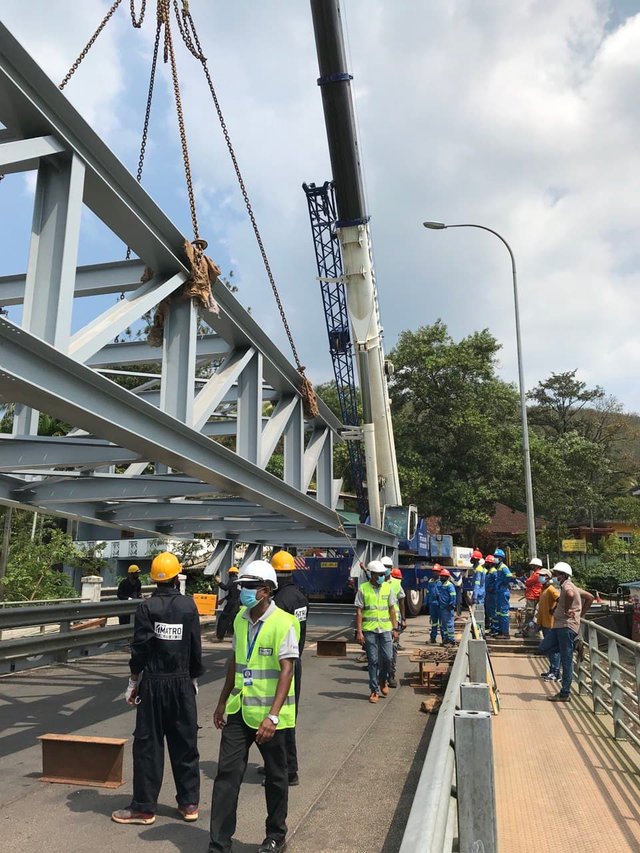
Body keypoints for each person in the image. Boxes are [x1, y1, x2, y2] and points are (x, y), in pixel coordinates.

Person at [209, 560, 299, 853]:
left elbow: (287, 671)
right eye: (242, 586)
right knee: (227, 775)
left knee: (275, 777)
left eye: (249, 587)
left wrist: (272, 716)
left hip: (272, 716)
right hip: (239, 709)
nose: (243, 591)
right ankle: (219, 842)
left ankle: (275, 836)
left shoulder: (285, 622)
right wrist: (222, 701)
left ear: (266, 590)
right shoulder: (240, 618)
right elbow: (235, 662)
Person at [111, 552, 203, 826]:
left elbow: (140, 648)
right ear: (177, 576)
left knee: (148, 745)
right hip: (182, 682)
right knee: (185, 743)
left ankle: (144, 807)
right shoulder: (189, 606)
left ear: (153, 579)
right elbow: (195, 645)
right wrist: (193, 677)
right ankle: (188, 803)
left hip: (153, 683)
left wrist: (132, 681)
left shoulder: (146, 608)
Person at [271, 550, 309, 787]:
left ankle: (287, 770)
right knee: (288, 716)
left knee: (280, 719)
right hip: (296, 661)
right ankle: (280, 766)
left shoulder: (279, 601)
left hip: (283, 665)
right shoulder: (300, 597)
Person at [539, 562, 593, 703]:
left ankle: (564, 693)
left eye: (556, 574)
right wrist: (580, 615)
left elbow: (570, 595)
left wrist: (567, 610)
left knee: (566, 660)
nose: (555, 577)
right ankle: (574, 645)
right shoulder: (571, 586)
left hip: (566, 627)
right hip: (560, 626)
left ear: (562, 576)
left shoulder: (567, 586)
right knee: (544, 647)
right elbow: (590, 597)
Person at [355, 560, 398, 704]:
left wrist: (395, 627)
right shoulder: (363, 589)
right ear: (372, 575)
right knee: (373, 660)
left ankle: (382, 680)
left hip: (385, 629)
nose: (381, 577)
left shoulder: (387, 588)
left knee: (388, 658)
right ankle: (374, 690)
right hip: (370, 630)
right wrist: (359, 632)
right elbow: (359, 611)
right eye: (379, 575)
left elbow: (392, 609)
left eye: (382, 574)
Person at [535, 570, 560, 681]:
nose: (540, 577)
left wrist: (553, 610)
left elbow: (559, 599)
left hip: (551, 623)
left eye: (542, 575)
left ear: (548, 577)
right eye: (539, 575)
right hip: (544, 623)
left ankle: (555, 672)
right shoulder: (543, 589)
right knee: (550, 649)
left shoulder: (551, 589)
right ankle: (551, 670)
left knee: (553, 649)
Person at [492, 548, 522, 639]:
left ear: (500, 558)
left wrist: (504, 583)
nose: (494, 559)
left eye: (496, 557)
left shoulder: (503, 567)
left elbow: (509, 576)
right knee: (499, 613)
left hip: (503, 592)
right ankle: (501, 631)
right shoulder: (498, 567)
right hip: (499, 592)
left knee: (503, 613)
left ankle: (505, 633)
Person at [386, 563, 407, 688]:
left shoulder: (396, 583)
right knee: (380, 652)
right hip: (379, 624)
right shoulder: (372, 584)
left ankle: (391, 675)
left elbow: (402, 601)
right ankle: (382, 676)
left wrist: (403, 619)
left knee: (392, 650)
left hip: (394, 622)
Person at [215, 566, 240, 641]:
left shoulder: (233, 580)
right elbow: (233, 593)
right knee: (234, 619)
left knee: (223, 618)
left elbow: (226, 588)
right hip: (237, 603)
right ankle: (232, 633)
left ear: (231, 573)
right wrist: (224, 599)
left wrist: (219, 582)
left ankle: (220, 636)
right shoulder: (238, 581)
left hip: (232, 604)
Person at [520, 557, 544, 633]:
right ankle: (532, 629)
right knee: (533, 613)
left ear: (536, 566)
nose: (532, 567)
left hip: (533, 596)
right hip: (536, 595)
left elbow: (528, 582)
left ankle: (527, 630)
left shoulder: (536, 574)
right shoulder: (539, 574)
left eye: (533, 565)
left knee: (529, 613)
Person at [438, 569, 457, 646]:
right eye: (441, 576)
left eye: (443, 576)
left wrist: (451, 604)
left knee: (449, 624)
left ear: (447, 577)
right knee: (444, 625)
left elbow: (453, 595)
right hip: (442, 607)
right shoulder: (442, 585)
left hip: (448, 607)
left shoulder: (449, 585)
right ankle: (446, 639)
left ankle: (451, 640)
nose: (441, 577)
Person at [426, 564, 443, 644]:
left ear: (440, 572)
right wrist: (426, 602)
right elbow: (428, 592)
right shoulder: (431, 581)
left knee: (442, 623)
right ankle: (433, 638)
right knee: (434, 622)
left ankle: (444, 639)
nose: (435, 573)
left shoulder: (442, 581)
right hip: (432, 604)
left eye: (436, 572)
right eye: (434, 571)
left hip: (440, 605)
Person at [484, 555, 497, 633]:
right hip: (488, 594)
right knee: (489, 612)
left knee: (493, 612)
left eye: (487, 563)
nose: (486, 564)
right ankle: (491, 627)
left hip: (492, 595)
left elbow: (495, 583)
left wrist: (491, 589)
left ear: (491, 563)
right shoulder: (488, 571)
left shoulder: (493, 571)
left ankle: (494, 628)